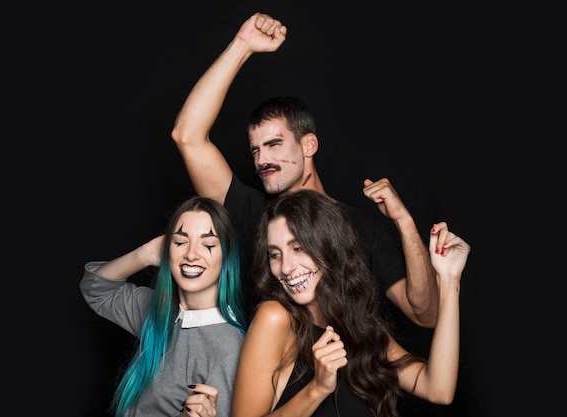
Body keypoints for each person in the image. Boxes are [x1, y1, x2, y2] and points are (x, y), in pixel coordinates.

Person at [170, 12, 438, 329]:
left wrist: (404, 222)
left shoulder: (363, 226)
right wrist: (242, 45)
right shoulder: (254, 214)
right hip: (268, 375)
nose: (261, 160)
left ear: (308, 145)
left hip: (351, 376)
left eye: (274, 145)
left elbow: (426, 314)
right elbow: (187, 136)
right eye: (255, 149)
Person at [230, 190, 470, 417]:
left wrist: (449, 280)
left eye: (298, 248)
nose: (285, 267)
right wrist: (317, 389)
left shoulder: (358, 325)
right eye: (274, 254)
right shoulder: (275, 318)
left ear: (329, 246)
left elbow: (438, 389)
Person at [80, 196, 248, 417]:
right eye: (180, 242)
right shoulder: (159, 310)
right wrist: (144, 254)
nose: (190, 254)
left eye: (207, 245)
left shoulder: (229, 350)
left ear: (226, 258)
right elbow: (96, 289)